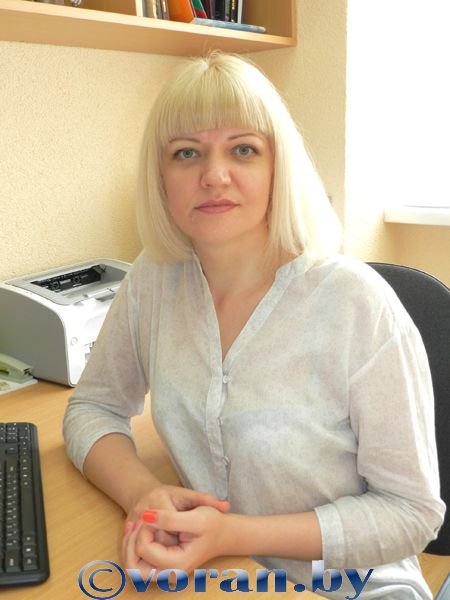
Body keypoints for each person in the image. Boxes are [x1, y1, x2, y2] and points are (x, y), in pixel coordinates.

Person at [63, 51, 445, 598]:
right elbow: (93, 406)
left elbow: (410, 512)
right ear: (160, 177)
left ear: (277, 167)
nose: (213, 175)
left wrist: (232, 534)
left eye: (243, 149)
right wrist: (143, 495)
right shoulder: (155, 279)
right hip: (218, 574)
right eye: (187, 152)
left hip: (351, 584)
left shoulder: (357, 305)